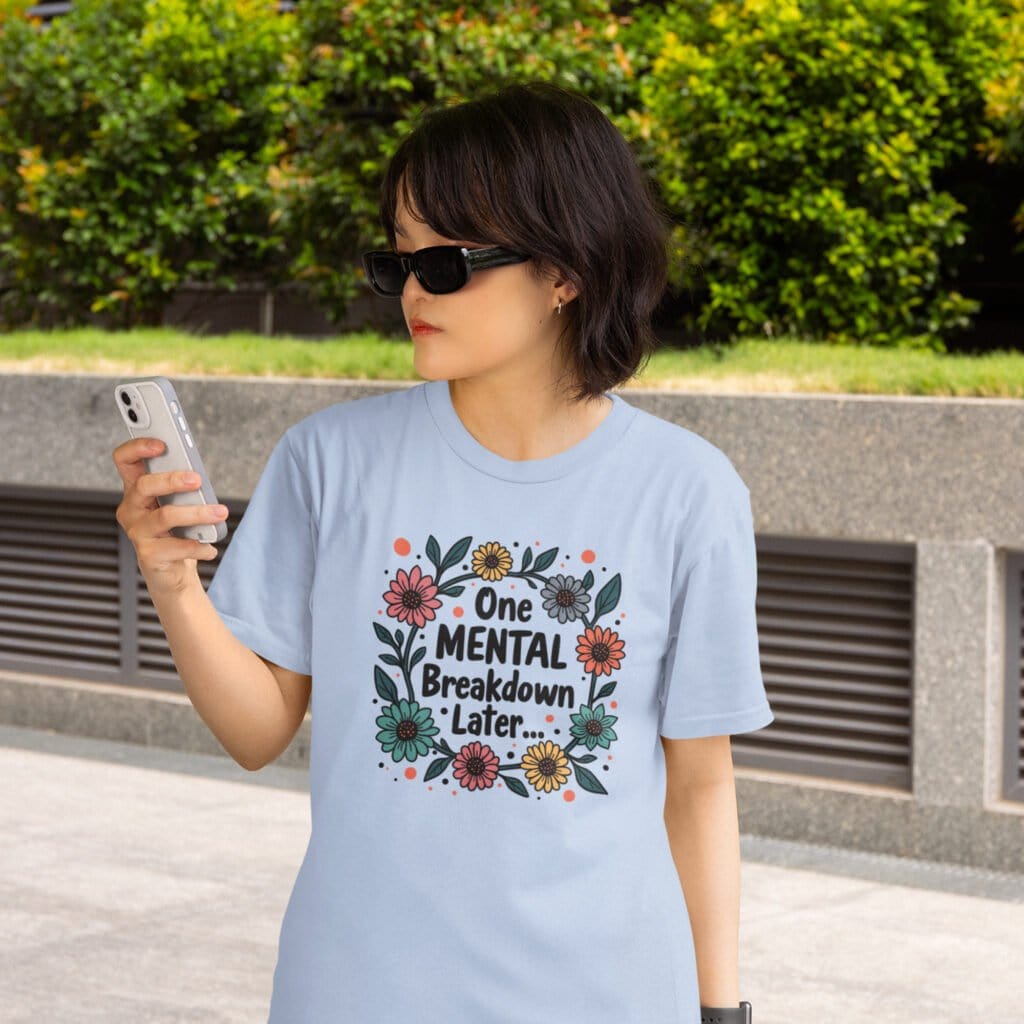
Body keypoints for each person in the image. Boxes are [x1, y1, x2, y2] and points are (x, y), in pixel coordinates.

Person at [112, 78, 772, 1024]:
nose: (414, 291)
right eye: (400, 263)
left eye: (449, 263)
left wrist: (722, 1014)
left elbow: (701, 789)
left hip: (606, 993)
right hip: (355, 991)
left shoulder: (686, 490)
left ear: (565, 271)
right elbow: (258, 732)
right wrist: (172, 579)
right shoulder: (330, 461)